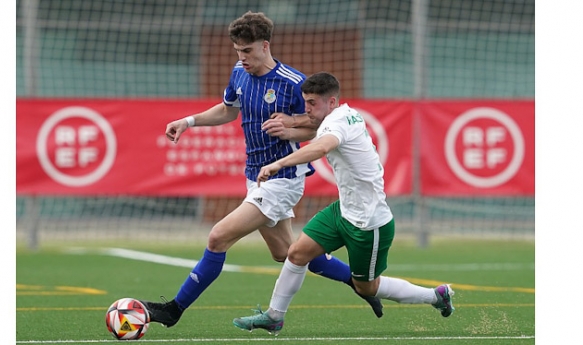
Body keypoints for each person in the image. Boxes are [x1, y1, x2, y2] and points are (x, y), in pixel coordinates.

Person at [139, 12, 384, 329]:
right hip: (255, 175)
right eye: (238, 51)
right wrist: (188, 122)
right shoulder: (239, 74)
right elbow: (228, 110)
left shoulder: (293, 83)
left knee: (218, 237)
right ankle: (357, 283)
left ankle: (174, 309)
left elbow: (319, 128)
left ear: (265, 46)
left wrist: (291, 130)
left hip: (282, 179)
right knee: (287, 253)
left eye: (248, 51)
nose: (242, 58)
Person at [233, 72, 455, 334]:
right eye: (306, 102)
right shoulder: (343, 115)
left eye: (313, 103)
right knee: (296, 254)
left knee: (367, 288)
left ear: (332, 102)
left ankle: (436, 296)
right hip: (343, 210)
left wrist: (279, 163)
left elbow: (322, 146)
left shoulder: (336, 122)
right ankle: (274, 316)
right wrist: (291, 127)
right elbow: (315, 133)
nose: (308, 109)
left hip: (368, 222)